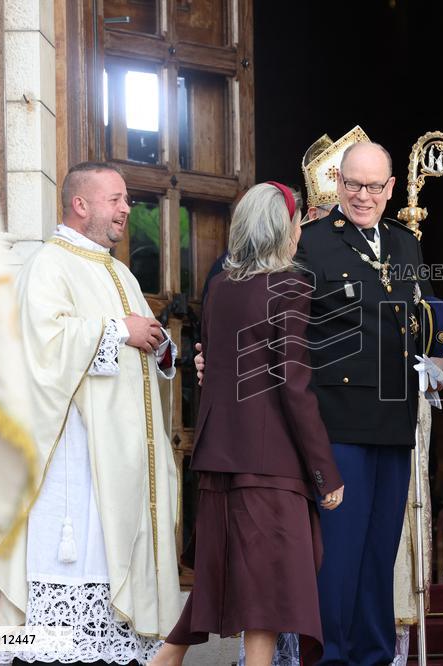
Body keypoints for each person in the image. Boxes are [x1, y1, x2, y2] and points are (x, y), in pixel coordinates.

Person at [0, 161, 182, 665]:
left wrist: (160, 349)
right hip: (75, 459)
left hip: (120, 460)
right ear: (80, 204)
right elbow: (42, 346)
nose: (126, 209)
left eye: (125, 200)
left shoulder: (118, 270)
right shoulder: (49, 264)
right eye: (115, 199)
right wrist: (119, 329)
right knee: (75, 600)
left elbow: (135, 343)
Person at [149, 182, 344, 666]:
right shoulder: (290, 285)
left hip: (221, 458)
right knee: (269, 584)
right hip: (270, 464)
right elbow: (293, 387)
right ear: (283, 229)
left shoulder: (220, 287)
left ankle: (164, 659)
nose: (301, 231)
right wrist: (325, 472)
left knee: (249, 583)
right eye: (298, 222)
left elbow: (214, 367)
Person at [297, 140, 443, 666]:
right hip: (338, 421)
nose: (363, 196)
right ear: (338, 184)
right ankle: (330, 657)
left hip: (396, 418)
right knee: (338, 554)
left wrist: (442, 358)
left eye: (374, 187)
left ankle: (374, 656)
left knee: (380, 551)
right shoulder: (310, 243)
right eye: (353, 184)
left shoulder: (405, 244)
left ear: (390, 190)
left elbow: (426, 311)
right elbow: (286, 330)